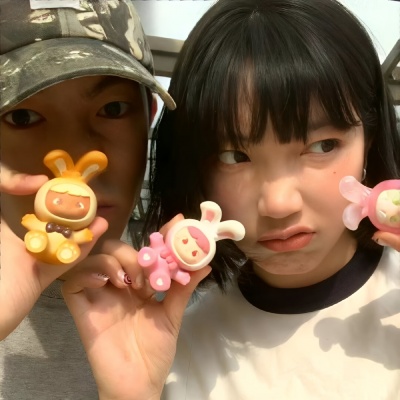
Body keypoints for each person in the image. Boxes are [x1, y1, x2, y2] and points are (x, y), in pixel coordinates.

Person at [65, 0, 400, 399]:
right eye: (233, 157)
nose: (278, 203)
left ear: (369, 141)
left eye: (322, 145)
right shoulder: (167, 345)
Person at [0, 1, 180, 399]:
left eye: (112, 109)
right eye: (23, 117)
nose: (77, 154)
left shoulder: (194, 309)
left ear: (147, 117)